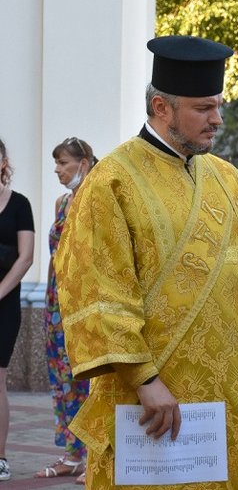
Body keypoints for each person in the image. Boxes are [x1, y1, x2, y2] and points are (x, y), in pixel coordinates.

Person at [55, 35, 238, 490]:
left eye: (218, 105)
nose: (217, 119)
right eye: (203, 108)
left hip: (230, 396)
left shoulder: (224, 178)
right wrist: (145, 380)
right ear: (161, 107)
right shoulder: (112, 181)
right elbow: (99, 286)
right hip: (156, 398)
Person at [34, 138, 96, 484]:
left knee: (90, 380)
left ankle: (96, 456)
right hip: (57, 303)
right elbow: (54, 257)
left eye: (63, 164)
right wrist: (48, 300)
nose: (57, 171)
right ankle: (73, 453)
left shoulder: (97, 198)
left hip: (86, 303)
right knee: (64, 381)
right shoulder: (62, 202)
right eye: (56, 164)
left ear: (83, 162)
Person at [0, 139, 35, 483]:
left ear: (3, 162)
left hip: (4, 305)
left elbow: (26, 258)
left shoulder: (20, 204)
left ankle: (0, 456)